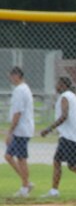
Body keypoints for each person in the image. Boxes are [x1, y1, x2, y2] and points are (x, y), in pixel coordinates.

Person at [5, 66, 35, 197]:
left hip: (21, 130)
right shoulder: (24, 89)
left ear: (17, 76)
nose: (10, 78)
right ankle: (27, 182)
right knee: (8, 156)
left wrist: (10, 131)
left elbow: (18, 112)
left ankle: (25, 187)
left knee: (21, 158)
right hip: (22, 128)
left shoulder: (19, 90)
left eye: (11, 76)